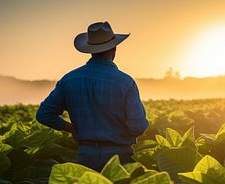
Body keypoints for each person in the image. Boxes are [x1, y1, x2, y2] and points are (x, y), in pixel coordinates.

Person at [36, 21, 149, 171]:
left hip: (85, 155)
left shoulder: (69, 79)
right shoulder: (125, 82)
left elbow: (44, 114)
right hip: (119, 157)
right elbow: (139, 126)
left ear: (90, 50)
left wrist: (72, 128)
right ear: (114, 49)